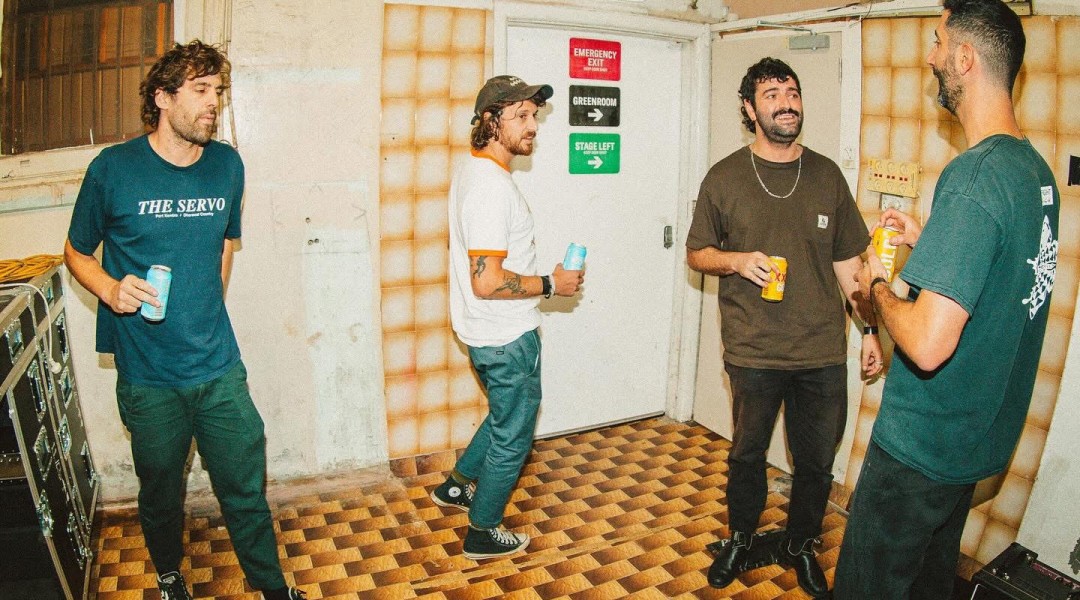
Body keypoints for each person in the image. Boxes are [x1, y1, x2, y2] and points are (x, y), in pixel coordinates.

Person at [63, 41, 304, 600]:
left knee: (244, 487)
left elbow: (224, 244)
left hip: (218, 366)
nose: (213, 102)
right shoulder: (113, 170)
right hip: (148, 375)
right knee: (160, 492)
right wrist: (110, 289)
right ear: (163, 98)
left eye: (217, 90)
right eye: (200, 90)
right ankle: (170, 575)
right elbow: (76, 252)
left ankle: (272, 588)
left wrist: (206, 304)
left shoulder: (227, 166)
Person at [834, 1, 1059, 598]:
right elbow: (1000, 271)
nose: (929, 56)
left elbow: (929, 344)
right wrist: (930, 236)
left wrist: (876, 287)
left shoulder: (973, 176)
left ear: (964, 58)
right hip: (974, 440)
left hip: (921, 444)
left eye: (937, 42)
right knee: (929, 584)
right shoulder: (1034, 173)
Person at [686, 57, 882, 598]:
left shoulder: (826, 175)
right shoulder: (724, 177)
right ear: (750, 110)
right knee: (746, 455)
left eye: (791, 92)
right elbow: (697, 253)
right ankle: (741, 538)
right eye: (771, 95)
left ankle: (800, 545)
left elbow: (849, 265)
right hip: (752, 349)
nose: (786, 103)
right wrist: (736, 260)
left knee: (816, 462)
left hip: (820, 352)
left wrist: (870, 331)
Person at [430, 75, 584, 560]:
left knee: (504, 417)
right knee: (513, 436)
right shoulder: (491, 188)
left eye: (534, 115)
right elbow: (488, 281)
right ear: (490, 121)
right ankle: (483, 530)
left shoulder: (475, 170)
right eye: (520, 116)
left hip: (486, 333)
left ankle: (458, 486)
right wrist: (551, 284)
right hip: (505, 336)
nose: (532, 125)